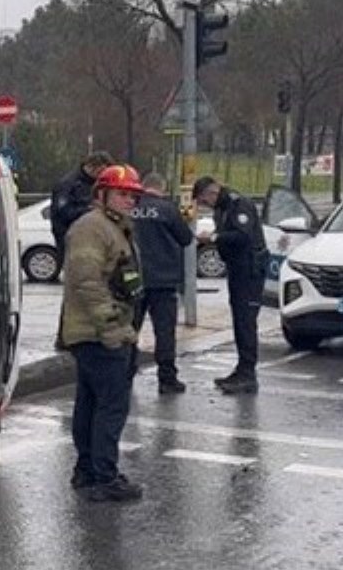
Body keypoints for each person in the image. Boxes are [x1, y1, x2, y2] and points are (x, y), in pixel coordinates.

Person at [61, 164, 146, 503]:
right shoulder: (93, 228)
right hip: (100, 333)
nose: (129, 200)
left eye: (133, 195)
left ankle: (88, 471)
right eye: (123, 194)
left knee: (92, 403)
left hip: (101, 330)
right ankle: (104, 476)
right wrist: (112, 327)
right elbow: (87, 281)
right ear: (102, 195)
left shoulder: (113, 227)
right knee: (111, 406)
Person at [194, 175, 269, 394]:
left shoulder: (239, 204)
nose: (205, 205)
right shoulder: (223, 207)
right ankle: (242, 369)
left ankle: (248, 374)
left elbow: (242, 236)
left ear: (212, 192)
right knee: (239, 320)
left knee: (246, 322)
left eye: (204, 200)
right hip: (238, 270)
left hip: (250, 271)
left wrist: (215, 238)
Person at [131, 172, 194, 394]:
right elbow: (185, 238)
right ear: (162, 188)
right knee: (164, 332)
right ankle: (167, 378)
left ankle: (126, 372)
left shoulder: (130, 207)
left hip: (134, 280)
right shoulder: (167, 209)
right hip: (164, 280)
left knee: (130, 329)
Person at [51, 151, 115, 254]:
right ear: (92, 166)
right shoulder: (68, 184)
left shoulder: (96, 183)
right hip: (70, 236)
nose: (102, 175)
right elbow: (62, 213)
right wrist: (90, 209)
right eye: (101, 171)